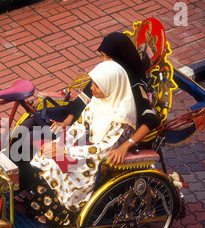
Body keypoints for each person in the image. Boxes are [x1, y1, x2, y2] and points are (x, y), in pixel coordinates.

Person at [13, 32, 160, 203]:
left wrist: (127, 145)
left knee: (29, 139)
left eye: (107, 57)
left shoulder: (132, 86)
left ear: (120, 57)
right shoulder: (104, 75)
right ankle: (20, 183)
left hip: (91, 136)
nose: (103, 61)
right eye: (102, 56)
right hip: (81, 121)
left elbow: (150, 119)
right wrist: (66, 123)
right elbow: (84, 100)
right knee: (24, 128)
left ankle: (25, 185)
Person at [27, 60, 137, 227]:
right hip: (82, 148)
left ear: (111, 86)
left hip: (100, 159)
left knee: (57, 169)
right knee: (44, 157)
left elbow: (104, 148)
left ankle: (58, 216)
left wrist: (65, 151)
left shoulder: (122, 115)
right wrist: (59, 144)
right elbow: (79, 127)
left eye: (97, 86)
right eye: (92, 83)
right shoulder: (98, 101)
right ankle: (41, 206)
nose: (92, 89)